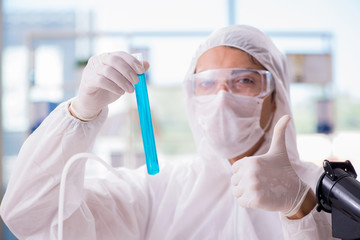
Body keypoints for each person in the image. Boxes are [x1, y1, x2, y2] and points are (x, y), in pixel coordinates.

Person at [0, 25, 336, 239]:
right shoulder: (155, 190)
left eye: (243, 80)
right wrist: (79, 114)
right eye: (206, 83)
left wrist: (300, 207)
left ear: (276, 94)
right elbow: (29, 216)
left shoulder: (324, 189)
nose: (221, 97)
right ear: (192, 97)